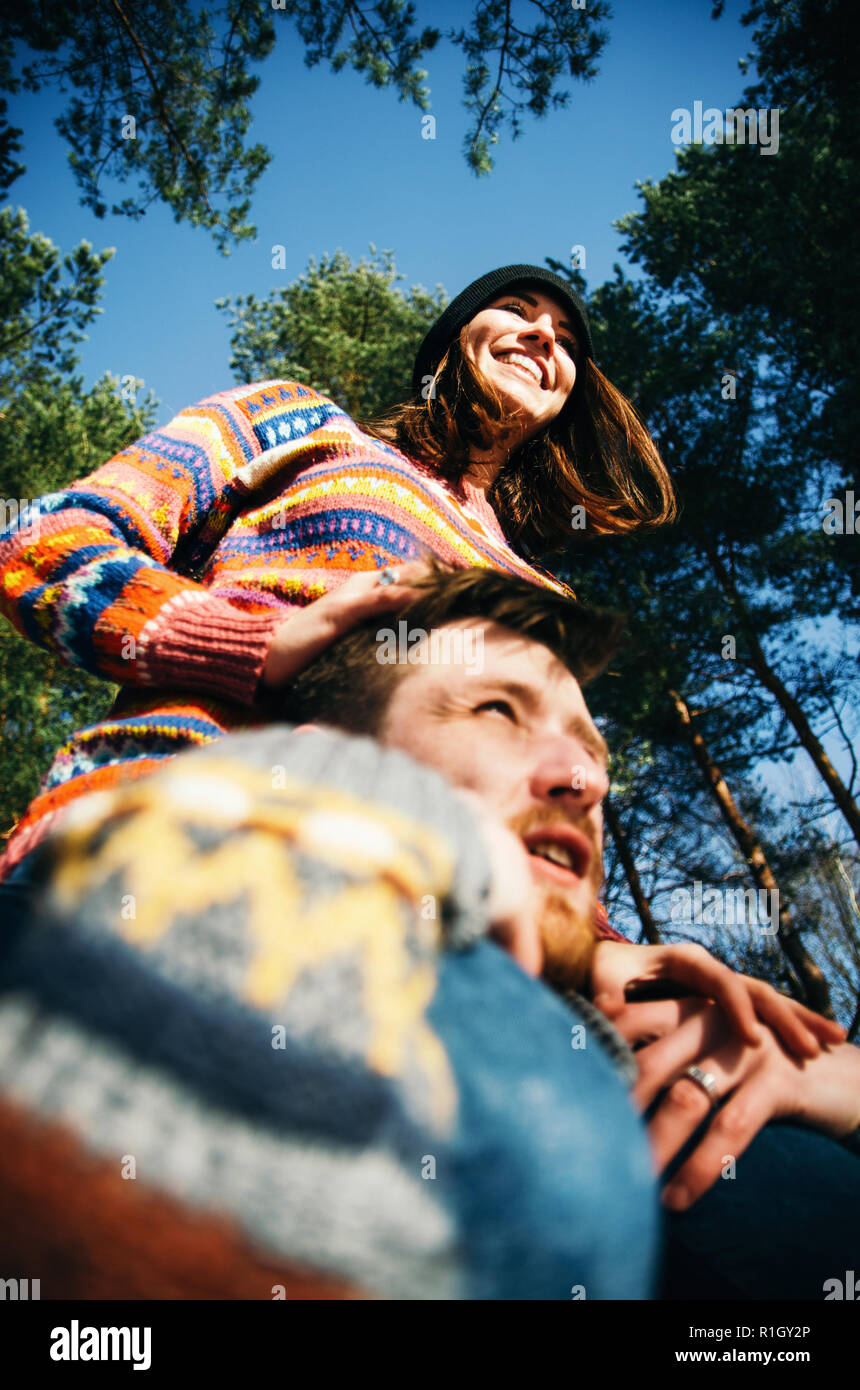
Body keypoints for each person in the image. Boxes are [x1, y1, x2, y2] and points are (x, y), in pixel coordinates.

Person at [1, 566, 856, 1300]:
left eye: (590, 750)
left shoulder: (685, 1046)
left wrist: (818, 1077)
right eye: (496, 710)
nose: (585, 778)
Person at [0, 264, 674, 897]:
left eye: (565, 340)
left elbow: (547, 805)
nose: (543, 335)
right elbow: (44, 542)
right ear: (451, 341)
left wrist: (602, 953)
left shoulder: (544, 595)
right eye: (519, 309)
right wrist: (252, 644)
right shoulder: (296, 422)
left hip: (431, 958)